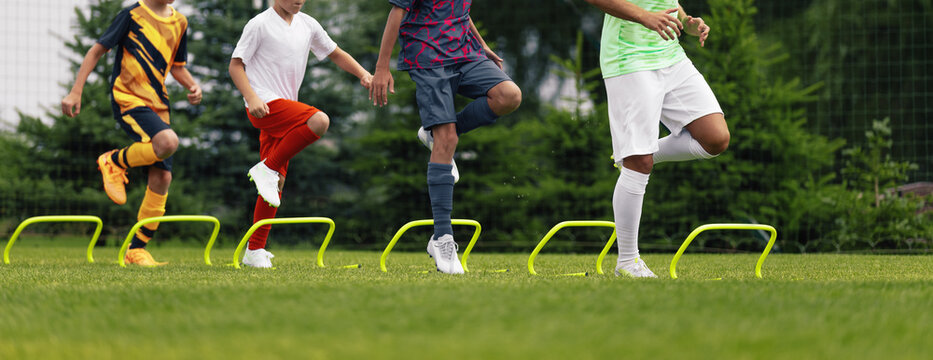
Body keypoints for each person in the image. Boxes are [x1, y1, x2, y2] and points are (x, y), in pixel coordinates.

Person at [371, 0, 522, 274]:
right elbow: (396, 12)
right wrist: (382, 68)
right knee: (447, 139)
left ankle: (435, 134)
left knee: (509, 96)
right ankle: (442, 238)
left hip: (466, 53)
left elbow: (460, 10)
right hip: (428, 58)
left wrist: (481, 43)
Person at [582, 0, 731, 277]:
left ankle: (635, 157)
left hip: (671, 56)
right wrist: (643, 17)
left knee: (715, 138)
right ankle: (627, 262)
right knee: (640, 161)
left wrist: (686, 22)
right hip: (629, 59)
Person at [229, 0, 373, 268]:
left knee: (275, 185)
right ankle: (266, 168)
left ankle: (254, 250)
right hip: (264, 106)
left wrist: (364, 74)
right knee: (319, 120)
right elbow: (236, 65)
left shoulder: (308, 24)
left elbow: (335, 53)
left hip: (284, 110)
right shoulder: (259, 24)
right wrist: (251, 97)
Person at [61, 0, 201, 267]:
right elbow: (96, 51)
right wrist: (75, 91)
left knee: (162, 176)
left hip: (159, 104)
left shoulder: (180, 22)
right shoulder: (132, 14)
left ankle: (136, 250)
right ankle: (113, 161)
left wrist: (193, 85)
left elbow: (177, 66)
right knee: (168, 141)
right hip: (129, 98)